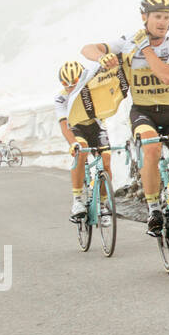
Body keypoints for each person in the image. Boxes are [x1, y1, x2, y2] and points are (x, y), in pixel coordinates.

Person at [82, 0, 169, 238]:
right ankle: (154, 208)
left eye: (166, 17)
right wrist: (104, 57)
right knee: (151, 149)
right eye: (157, 16)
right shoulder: (127, 42)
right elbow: (87, 48)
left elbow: (167, 76)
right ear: (145, 17)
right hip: (143, 113)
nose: (163, 22)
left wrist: (146, 49)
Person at [53, 59, 126, 221]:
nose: (71, 87)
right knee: (82, 151)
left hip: (96, 126)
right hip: (76, 129)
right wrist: (73, 143)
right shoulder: (61, 98)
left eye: (75, 82)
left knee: (106, 161)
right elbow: (64, 126)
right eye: (66, 83)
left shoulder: (91, 86)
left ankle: (102, 203)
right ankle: (77, 200)